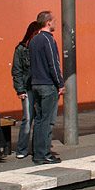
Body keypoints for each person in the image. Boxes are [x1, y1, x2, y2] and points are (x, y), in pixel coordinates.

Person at [30, 10, 64, 164]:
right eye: (54, 20)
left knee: (38, 119)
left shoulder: (34, 40)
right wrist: (60, 84)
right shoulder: (48, 40)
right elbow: (53, 64)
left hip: (35, 83)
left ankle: (37, 152)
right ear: (48, 22)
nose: (55, 23)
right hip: (48, 84)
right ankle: (44, 153)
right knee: (47, 120)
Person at [11, 21, 40, 160]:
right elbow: (17, 71)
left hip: (40, 86)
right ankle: (22, 148)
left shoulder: (42, 46)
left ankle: (37, 148)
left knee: (40, 118)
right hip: (27, 88)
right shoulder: (21, 49)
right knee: (28, 118)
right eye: (37, 33)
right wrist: (20, 90)